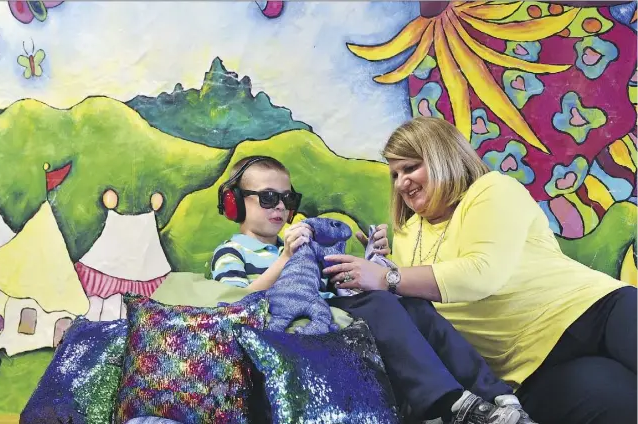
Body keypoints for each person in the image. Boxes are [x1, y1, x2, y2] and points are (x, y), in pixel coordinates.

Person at [322, 116, 636, 424]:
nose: (401, 182)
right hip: (530, 371)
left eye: (410, 167)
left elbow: (482, 274)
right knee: (623, 402)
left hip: (597, 313)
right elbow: (428, 317)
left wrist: (388, 278)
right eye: (395, 174)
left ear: (442, 158)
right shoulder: (406, 235)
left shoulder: (491, 190)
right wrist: (381, 268)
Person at [211, 155, 532, 424]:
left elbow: (336, 287)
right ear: (235, 202)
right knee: (379, 304)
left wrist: (372, 261)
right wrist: (284, 260)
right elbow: (234, 305)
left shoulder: (299, 243)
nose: (279, 206)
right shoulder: (232, 251)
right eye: (268, 197)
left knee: (413, 304)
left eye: (287, 198)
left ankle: (497, 397)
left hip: (332, 307)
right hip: (298, 323)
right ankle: (448, 402)